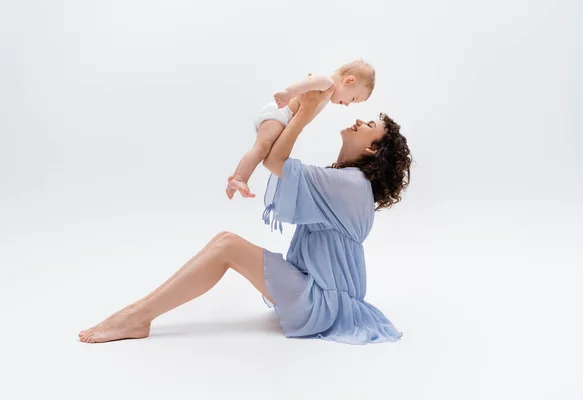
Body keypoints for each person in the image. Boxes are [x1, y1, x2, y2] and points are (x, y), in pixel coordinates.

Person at [79, 87, 412, 345]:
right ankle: (138, 312)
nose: (359, 121)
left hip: (321, 305)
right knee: (224, 243)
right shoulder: (348, 183)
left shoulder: (351, 184)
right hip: (318, 294)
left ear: (372, 149)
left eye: (370, 125)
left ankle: (138, 316)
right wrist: (294, 112)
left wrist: (304, 112)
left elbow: (275, 161)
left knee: (227, 245)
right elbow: (276, 159)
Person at [226, 59, 376, 199]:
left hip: (283, 119)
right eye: (353, 99)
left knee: (261, 149)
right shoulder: (327, 82)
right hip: (280, 114)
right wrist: (288, 93)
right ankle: (240, 178)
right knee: (261, 148)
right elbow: (307, 82)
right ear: (349, 81)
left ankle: (235, 179)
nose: (348, 104)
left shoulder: (328, 89)